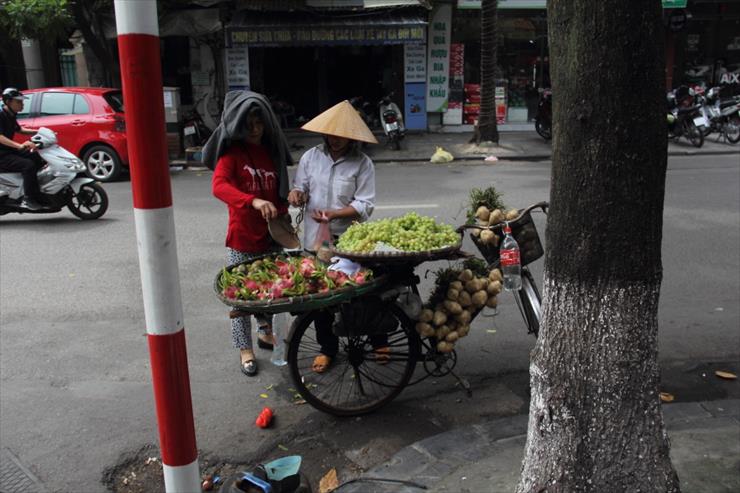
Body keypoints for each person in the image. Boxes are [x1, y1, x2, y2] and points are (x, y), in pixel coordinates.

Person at [287, 100, 384, 373]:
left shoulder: (362, 164)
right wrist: (297, 195)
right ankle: (327, 348)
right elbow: (300, 188)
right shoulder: (310, 157)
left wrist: (336, 214)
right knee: (321, 300)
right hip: (317, 242)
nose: (336, 139)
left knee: (362, 293)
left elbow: (365, 205)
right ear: (325, 132)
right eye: (332, 134)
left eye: (343, 135)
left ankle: (379, 342)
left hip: (351, 241)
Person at [206, 91, 293, 377]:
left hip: (272, 237)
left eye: (260, 122)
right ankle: (245, 350)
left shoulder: (271, 154)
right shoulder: (231, 156)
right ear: (239, 125)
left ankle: (265, 331)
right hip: (242, 238)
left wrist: (287, 203)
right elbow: (219, 187)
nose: (255, 128)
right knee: (240, 299)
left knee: (271, 291)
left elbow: (276, 195)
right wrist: (252, 201)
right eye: (249, 123)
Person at [0, 88, 46, 210]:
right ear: (8, 102)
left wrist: (40, 131)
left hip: (8, 151)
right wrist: (19, 146)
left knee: (36, 156)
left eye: (22, 102)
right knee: (28, 165)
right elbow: (0, 137)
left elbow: (19, 130)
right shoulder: (1, 115)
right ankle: (28, 199)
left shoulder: (10, 114)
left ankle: (36, 191)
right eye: (18, 102)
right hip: (2, 155)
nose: (22, 104)